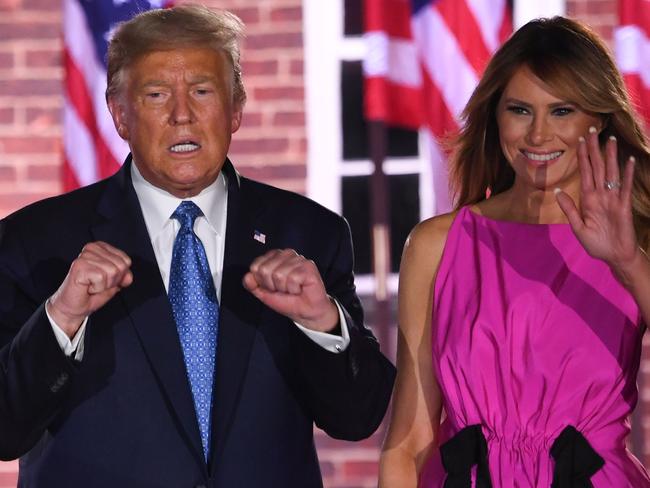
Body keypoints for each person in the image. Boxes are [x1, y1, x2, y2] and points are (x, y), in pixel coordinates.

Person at [0, 5, 395, 487]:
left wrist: (323, 323)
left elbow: (357, 418)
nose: (182, 114)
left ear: (236, 110)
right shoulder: (35, 242)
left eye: (203, 92)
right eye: (156, 94)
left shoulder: (310, 235)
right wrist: (60, 318)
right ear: (120, 114)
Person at [379, 16, 650, 487]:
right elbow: (407, 442)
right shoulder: (435, 246)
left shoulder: (636, 235)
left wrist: (628, 262)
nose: (539, 135)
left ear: (598, 119)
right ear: (495, 115)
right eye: (520, 110)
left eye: (562, 111)